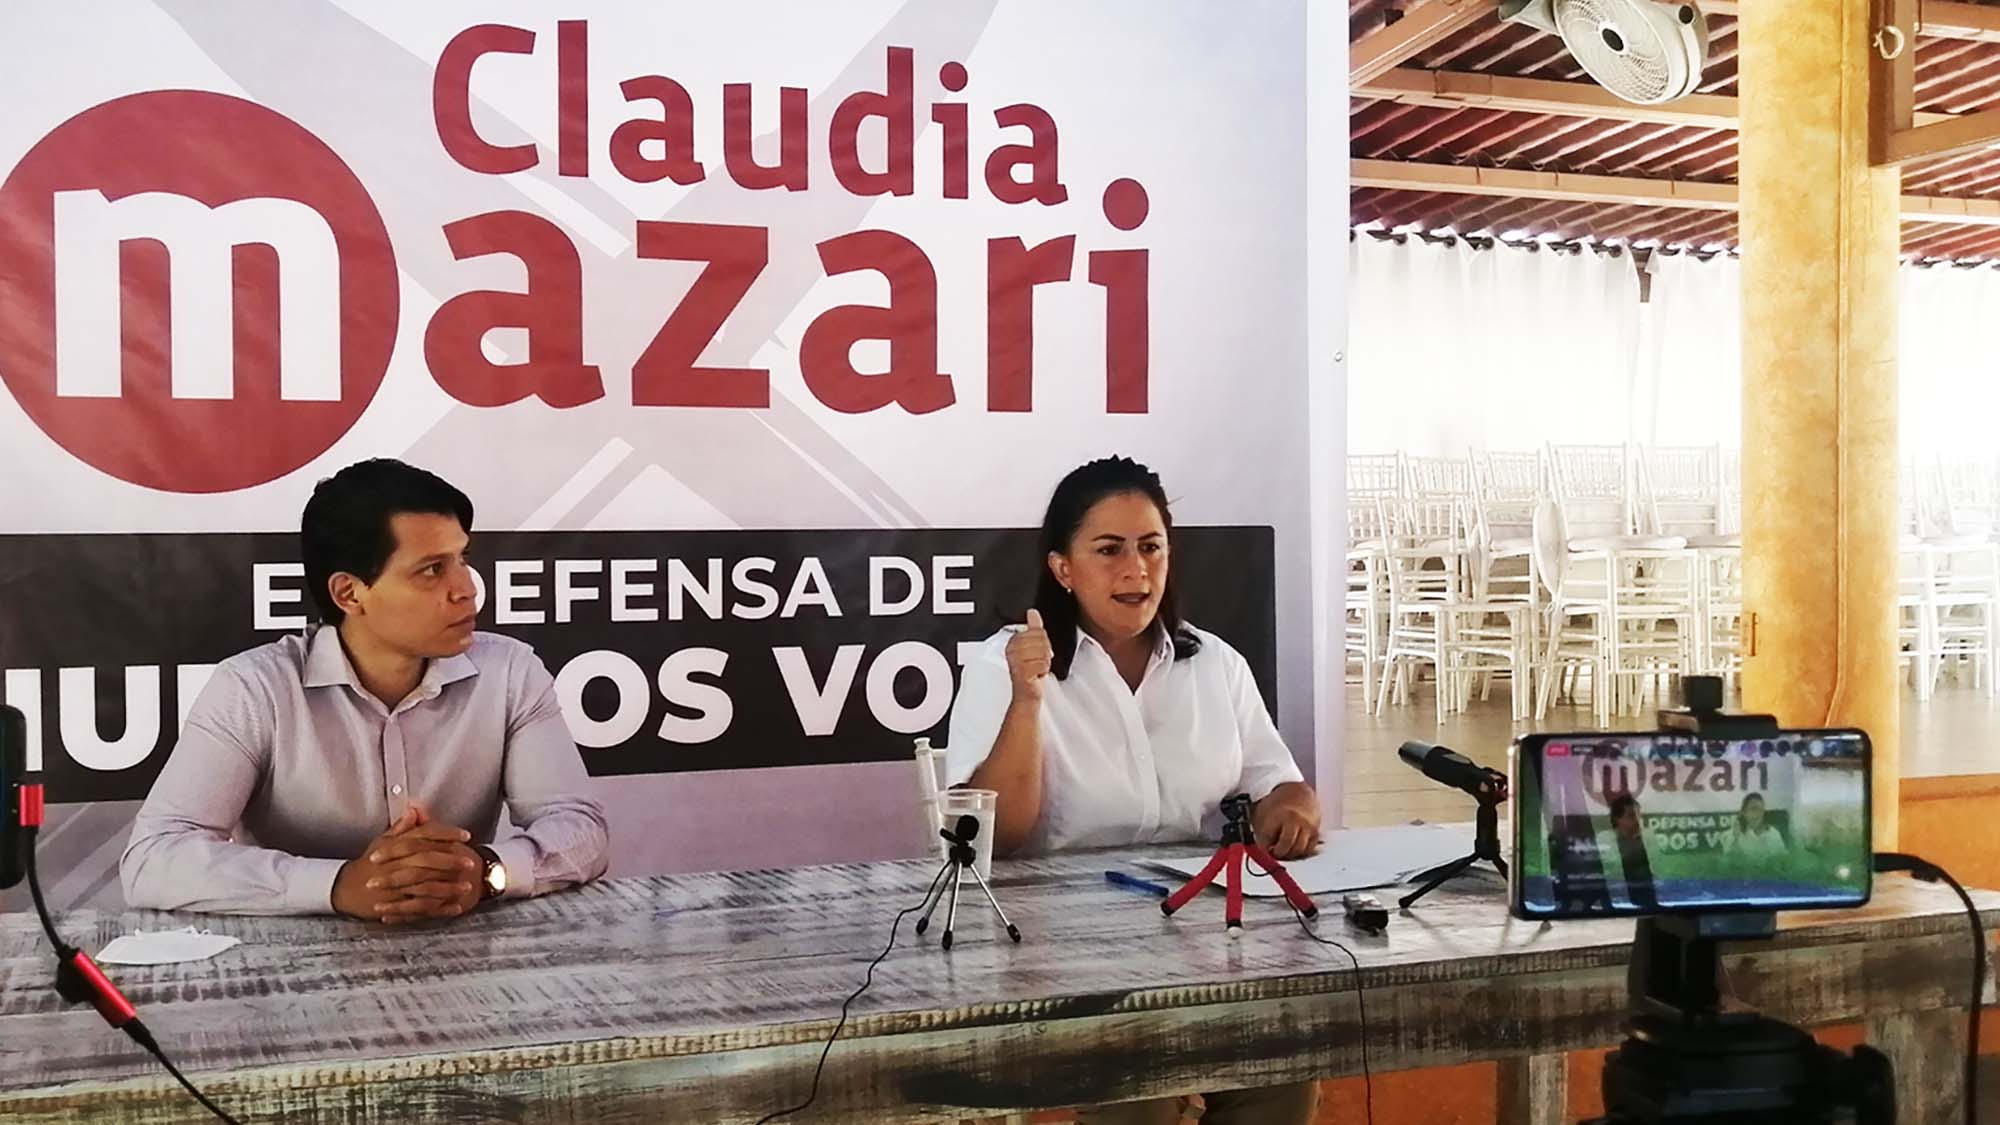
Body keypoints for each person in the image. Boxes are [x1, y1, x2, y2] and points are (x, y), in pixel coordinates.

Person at [946, 456, 1322, 1125]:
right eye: (1110, 549)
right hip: (1066, 945)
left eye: (1151, 547)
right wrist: (1028, 703)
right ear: (1064, 568)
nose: (1136, 570)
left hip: (1207, 934)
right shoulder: (1005, 662)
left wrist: (1289, 809)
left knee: (1282, 1073)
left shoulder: (1214, 661)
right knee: (1138, 1096)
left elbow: (1280, 781)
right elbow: (991, 840)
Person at [120, 459, 609, 921]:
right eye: (432, 569)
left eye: (462, 559)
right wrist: (340, 885)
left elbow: (581, 828)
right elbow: (154, 858)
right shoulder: (254, 689)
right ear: (349, 593)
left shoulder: (510, 672)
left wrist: (485, 872)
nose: (466, 588)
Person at [1606, 794, 1659, 910]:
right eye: (1631, 816)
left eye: (1638, 816)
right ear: (1617, 818)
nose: (1637, 820)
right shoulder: (1605, 839)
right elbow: (1612, 869)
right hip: (1618, 895)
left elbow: (1656, 867)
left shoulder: (1648, 836)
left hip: (1648, 893)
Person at [1723, 792, 1789, 869]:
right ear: (1744, 812)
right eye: (1753, 809)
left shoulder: (1773, 833)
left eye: (1761, 810)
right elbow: (1729, 864)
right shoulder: (1730, 834)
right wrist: (1736, 838)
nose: (1758, 814)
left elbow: (1784, 861)